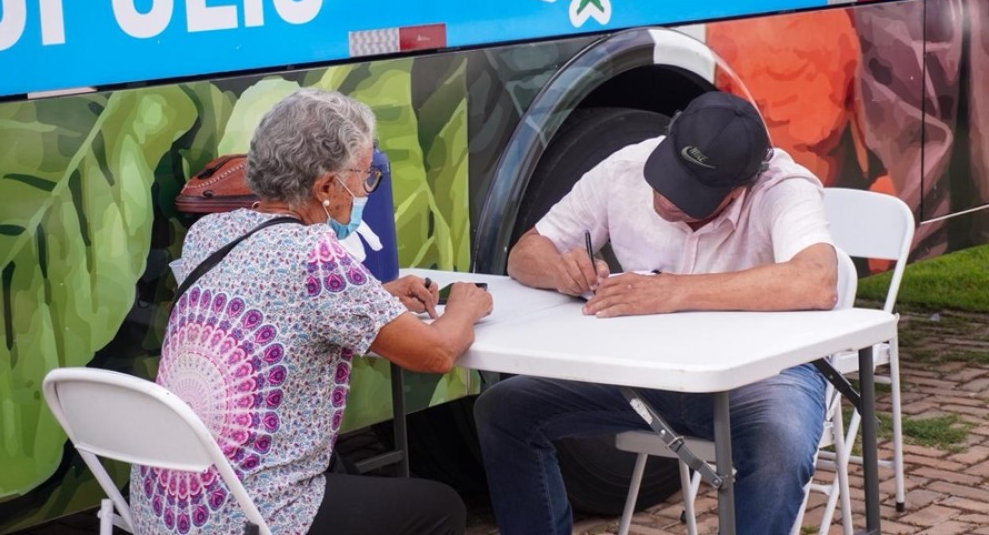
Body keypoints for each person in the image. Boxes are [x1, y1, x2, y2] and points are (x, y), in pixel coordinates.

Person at [130, 88, 493, 535]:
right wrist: (464, 305)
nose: (364, 190)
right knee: (441, 507)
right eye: (364, 177)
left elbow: (277, 298)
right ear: (325, 186)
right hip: (245, 516)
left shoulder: (211, 231)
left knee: (346, 473)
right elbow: (435, 353)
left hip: (168, 506)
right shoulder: (312, 256)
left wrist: (374, 295)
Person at [475, 91, 838, 535]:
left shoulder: (782, 186)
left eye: (692, 193)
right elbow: (524, 254)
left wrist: (673, 292)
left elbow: (816, 280)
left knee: (778, 445)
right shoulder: (625, 167)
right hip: (648, 374)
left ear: (741, 187)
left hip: (761, 378)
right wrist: (561, 271)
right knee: (504, 410)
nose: (667, 198)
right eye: (666, 176)